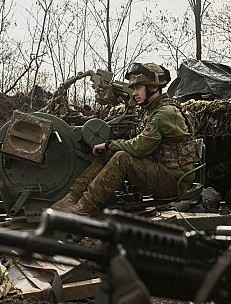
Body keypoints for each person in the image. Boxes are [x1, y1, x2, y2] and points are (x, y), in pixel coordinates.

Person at [51, 62, 200, 216]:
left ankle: (84, 207)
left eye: (137, 88)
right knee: (108, 153)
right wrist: (110, 146)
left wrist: (111, 144)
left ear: (153, 87)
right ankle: (71, 198)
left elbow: (140, 147)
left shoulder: (165, 113)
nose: (134, 93)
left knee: (121, 158)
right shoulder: (152, 110)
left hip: (176, 182)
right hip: (163, 173)